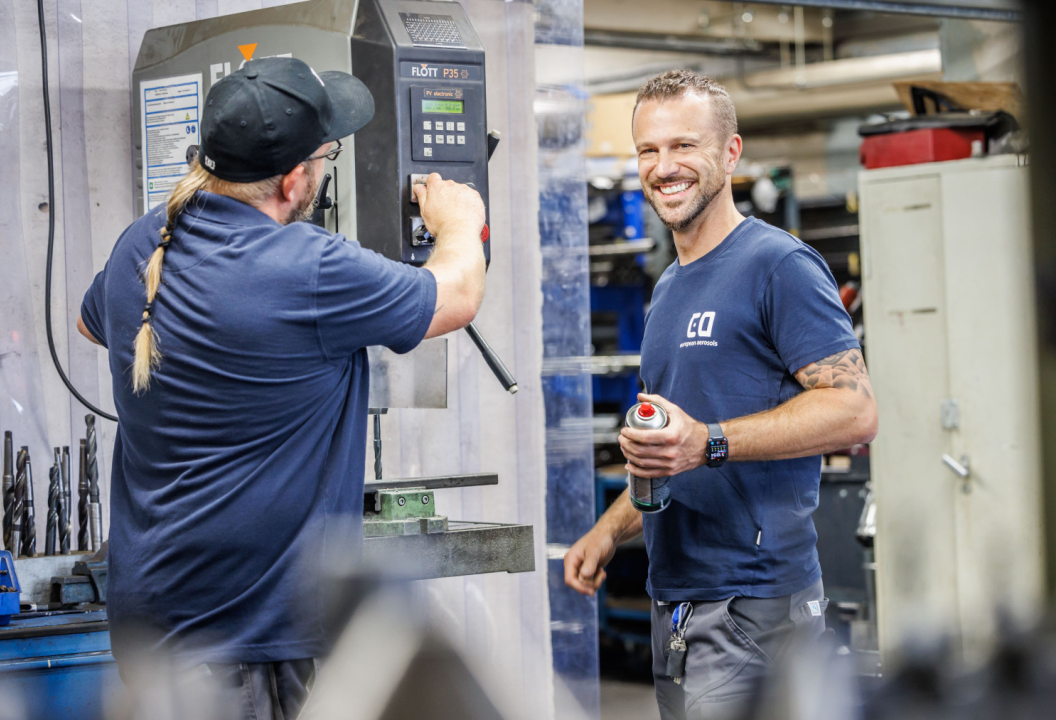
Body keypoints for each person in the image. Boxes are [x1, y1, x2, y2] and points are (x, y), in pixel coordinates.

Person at [76, 57, 486, 719]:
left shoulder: (140, 245)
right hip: (259, 641)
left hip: (155, 626)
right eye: (329, 154)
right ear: (296, 178)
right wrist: (459, 219)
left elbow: (92, 322)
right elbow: (459, 294)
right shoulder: (309, 268)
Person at [563, 70, 878, 720]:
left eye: (684, 146)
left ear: (730, 154)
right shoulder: (670, 288)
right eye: (648, 150)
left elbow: (854, 409)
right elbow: (669, 455)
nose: (664, 166)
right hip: (677, 601)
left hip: (753, 608)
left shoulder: (778, 266)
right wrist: (609, 529)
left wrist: (707, 442)